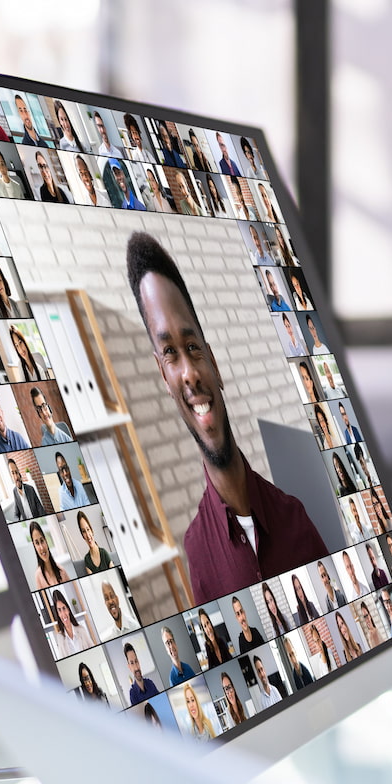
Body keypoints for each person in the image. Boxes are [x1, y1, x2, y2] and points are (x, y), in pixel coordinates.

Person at [127, 231, 330, 605]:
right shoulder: (198, 554)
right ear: (164, 379)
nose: (189, 372)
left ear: (215, 365)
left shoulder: (294, 516)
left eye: (192, 348)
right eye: (171, 353)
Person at [45, 589, 93, 654]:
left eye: (64, 608)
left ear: (68, 610)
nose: (63, 614)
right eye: (59, 610)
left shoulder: (81, 630)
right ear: (58, 614)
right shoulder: (60, 638)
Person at [3, 454, 48, 519]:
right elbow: (16, 513)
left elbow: (40, 508)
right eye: (13, 473)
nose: (16, 477)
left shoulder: (30, 489)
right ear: (11, 477)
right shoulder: (14, 491)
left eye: (16, 472)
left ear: (19, 473)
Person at [26, 519, 68, 587]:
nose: (41, 547)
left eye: (42, 541)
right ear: (34, 546)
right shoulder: (38, 576)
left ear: (46, 540)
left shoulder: (62, 571)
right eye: (37, 543)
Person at [74, 510, 115, 575]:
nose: (87, 535)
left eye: (88, 529)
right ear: (83, 536)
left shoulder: (104, 553)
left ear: (92, 531)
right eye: (84, 531)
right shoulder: (87, 560)